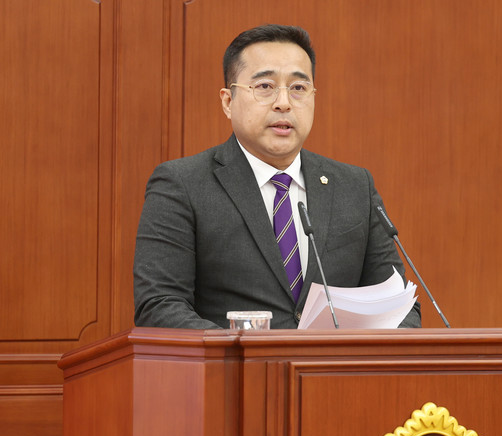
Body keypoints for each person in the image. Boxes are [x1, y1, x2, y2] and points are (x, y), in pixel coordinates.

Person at [133, 24, 421, 329]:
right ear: (228, 102)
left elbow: (398, 307)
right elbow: (159, 305)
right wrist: (244, 351)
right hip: (233, 360)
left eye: (298, 88)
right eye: (265, 86)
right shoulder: (182, 185)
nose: (284, 102)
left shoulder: (354, 187)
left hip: (331, 362)